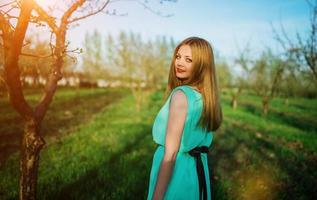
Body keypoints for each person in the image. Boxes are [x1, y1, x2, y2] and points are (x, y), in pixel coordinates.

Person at [146, 37, 223, 200]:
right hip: (195, 173)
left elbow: (171, 153)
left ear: (202, 65)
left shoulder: (181, 96)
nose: (179, 63)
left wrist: (157, 197)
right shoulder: (204, 97)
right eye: (178, 56)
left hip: (176, 174)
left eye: (188, 60)